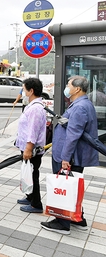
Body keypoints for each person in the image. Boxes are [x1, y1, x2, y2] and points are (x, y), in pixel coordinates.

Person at [41, 76, 99, 235]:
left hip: (69, 157)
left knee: (65, 188)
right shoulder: (82, 104)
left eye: (68, 85)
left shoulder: (80, 107)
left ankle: (62, 223)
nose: (66, 87)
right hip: (71, 155)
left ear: (77, 89)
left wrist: (65, 158)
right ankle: (79, 219)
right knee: (72, 188)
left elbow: (73, 135)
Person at [15, 77, 47, 213]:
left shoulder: (35, 109)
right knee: (28, 172)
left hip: (32, 149)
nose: (23, 92)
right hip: (27, 148)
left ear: (31, 90)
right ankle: (30, 196)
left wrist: (28, 149)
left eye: (24, 89)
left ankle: (36, 204)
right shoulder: (32, 105)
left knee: (33, 174)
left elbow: (33, 131)